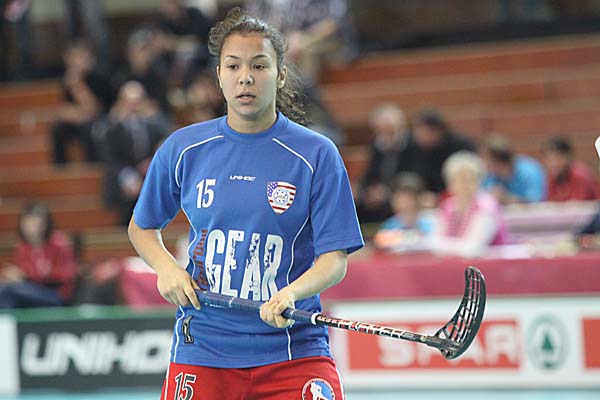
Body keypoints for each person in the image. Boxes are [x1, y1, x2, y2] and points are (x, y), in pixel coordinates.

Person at [127, 8, 364, 400]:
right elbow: (142, 227)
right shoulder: (183, 149)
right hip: (203, 347)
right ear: (219, 75)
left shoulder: (317, 155)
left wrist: (290, 293)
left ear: (281, 74)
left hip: (293, 350)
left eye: (259, 65)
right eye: (233, 65)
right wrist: (166, 268)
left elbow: (334, 260)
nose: (246, 77)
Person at [99, 81, 171, 226]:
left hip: (146, 174)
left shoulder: (153, 126)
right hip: (122, 176)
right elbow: (110, 159)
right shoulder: (113, 129)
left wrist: (151, 161)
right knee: (129, 192)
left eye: (137, 102)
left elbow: (167, 139)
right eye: (129, 102)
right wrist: (128, 176)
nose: (133, 107)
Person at [430, 151, 510, 258]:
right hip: (457, 265)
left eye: (468, 179)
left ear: (479, 181)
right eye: (458, 179)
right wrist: (438, 245)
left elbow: (473, 249)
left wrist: (441, 245)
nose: (463, 185)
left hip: (492, 264)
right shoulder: (447, 206)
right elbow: (434, 242)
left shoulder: (487, 206)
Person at [0, 202, 78, 308]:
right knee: (4, 289)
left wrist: (25, 276)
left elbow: (64, 277)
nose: (30, 226)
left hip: (56, 295)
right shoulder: (23, 247)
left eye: (34, 221)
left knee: (9, 291)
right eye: (26, 221)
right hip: (29, 292)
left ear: (45, 223)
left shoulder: (59, 244)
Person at [51, 39, 115, 165]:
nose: (74, 62)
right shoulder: (68, 81)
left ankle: (91, 166)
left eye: (78, 57)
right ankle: (60, 167)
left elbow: (94, 109)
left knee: (87, 129)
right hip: (80, 118)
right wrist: (78, 115)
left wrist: (77, 85)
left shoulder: (98, 78)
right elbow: (66, 109)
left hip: (102, 119)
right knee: (58, 127)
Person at [355, 103, 414, 223]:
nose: (385, 133)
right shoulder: (377, 144)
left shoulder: (411, 144)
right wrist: (367, 189)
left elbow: (411, 175)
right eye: (381, 130)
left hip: (400, 189)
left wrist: (387, 191)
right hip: (380, 191)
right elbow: (370, 172)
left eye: (389, 129)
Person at [410, 108, 476, 203]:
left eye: (425, 133)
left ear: (437, 130)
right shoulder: (416, 148)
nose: (420, 137)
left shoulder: (461, 145)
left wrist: (441, 197)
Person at [373, 172, 434, 253]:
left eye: (409, 199)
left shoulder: (431, 224)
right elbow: (380, 244)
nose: (404, 204)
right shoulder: (388, 226)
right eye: (400, 198)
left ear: (419, 199)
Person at [480, 133, 546, 204]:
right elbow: (481, 195)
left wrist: (505, 198)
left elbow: (535, 202)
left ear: (498, 161)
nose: (482, 161)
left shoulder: (530, 171)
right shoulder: (490, 175)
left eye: (485, 158)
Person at [542, 136, 600, 202]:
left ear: (567, 157)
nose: (553, 164)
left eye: (557, 159)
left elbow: (579, 204)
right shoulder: (550, 179)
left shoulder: (580, 176)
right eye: (549, 160)